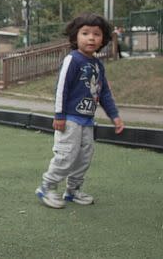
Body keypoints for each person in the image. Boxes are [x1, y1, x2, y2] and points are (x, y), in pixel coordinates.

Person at [35, 13, 125, 209]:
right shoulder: (72, 60)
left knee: (84, 157)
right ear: (76, 37)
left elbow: (104, 93)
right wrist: (59, 115)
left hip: (87, 121)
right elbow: (61, 88)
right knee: (66, 155)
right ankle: (47, 186)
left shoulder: (98, 65)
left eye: (96, 34)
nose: (91, 38)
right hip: (70, 120)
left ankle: (73, 190)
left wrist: (115, 116)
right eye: (85, 33)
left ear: (103, 39)